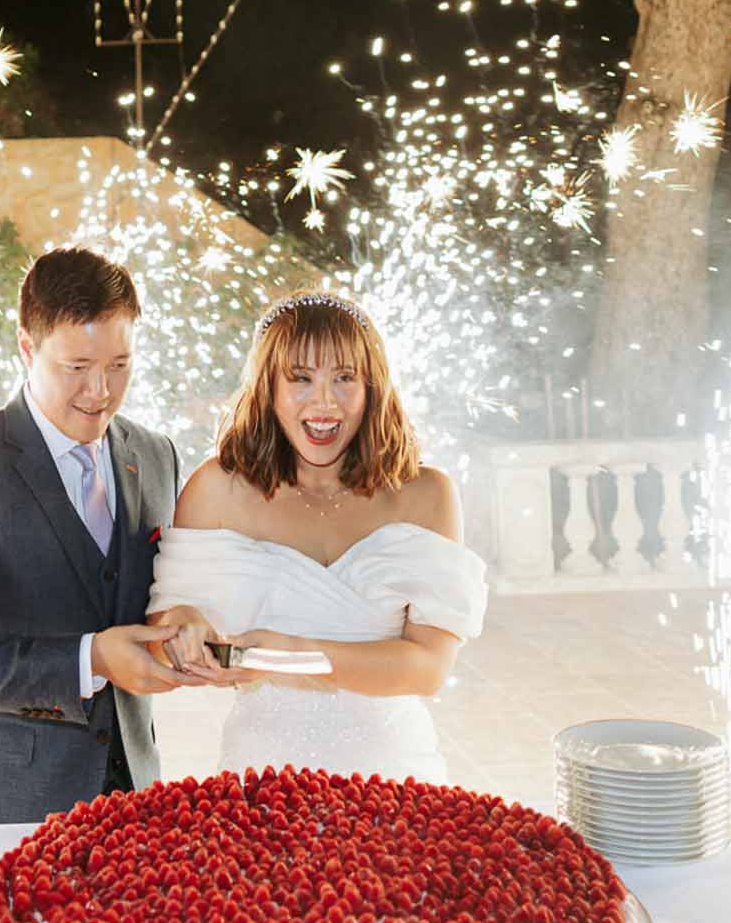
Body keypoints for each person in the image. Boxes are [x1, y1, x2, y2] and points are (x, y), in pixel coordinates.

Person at [0, 246, 198, 823]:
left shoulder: (155, 455)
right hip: (1, 805)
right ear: (27, 348)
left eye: (119, 365)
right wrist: (90, 659)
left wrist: (182, 625)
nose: (101, 391)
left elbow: (158, 593)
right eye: (77, 367)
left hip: (132, 799)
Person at [146, 291, 486, 781]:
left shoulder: (427, 494)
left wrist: (282, 655)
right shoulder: (216, 488)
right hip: (262, 776)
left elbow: (427, 668)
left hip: (393, 774)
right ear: (269, 388)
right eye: (301, 378)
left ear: (372, 387)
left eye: (343, 378)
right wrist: (183, 626)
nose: (323, 401)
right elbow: (167, 626)